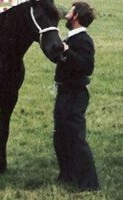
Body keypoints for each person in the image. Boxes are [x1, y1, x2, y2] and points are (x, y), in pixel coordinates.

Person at [53, 1, 99, 191]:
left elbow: (87, 67)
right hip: (65, 92)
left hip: (75, 94)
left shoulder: (83, 40)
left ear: (76, 16)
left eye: (71, 10)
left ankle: (89, 184)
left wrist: (67, 51)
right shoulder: (71, 38)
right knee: (60, 136)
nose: (67, 12)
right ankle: (67, 175)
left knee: (76, 137)